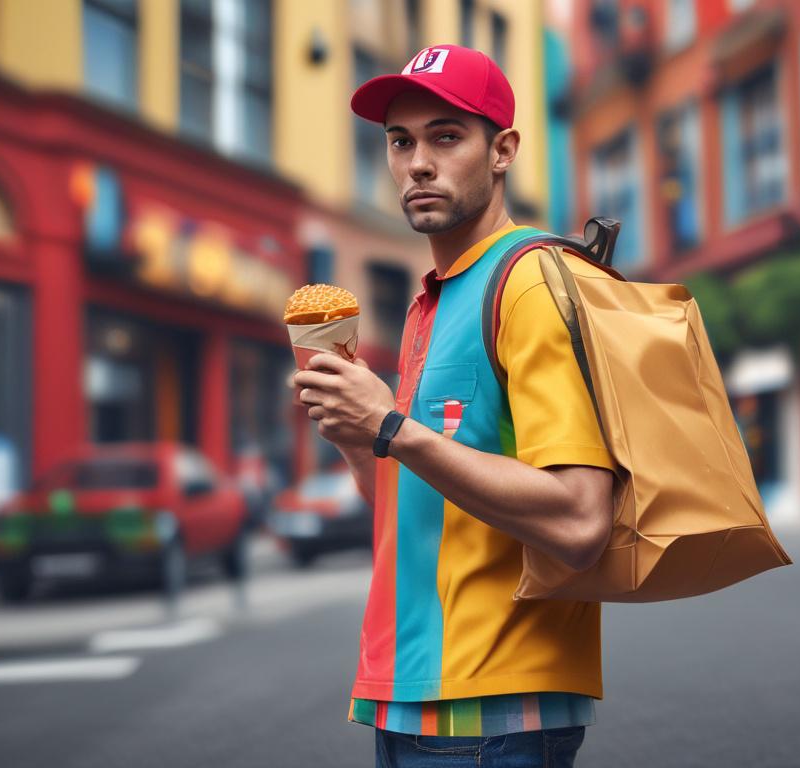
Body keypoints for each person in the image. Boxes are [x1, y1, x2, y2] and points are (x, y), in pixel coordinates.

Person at [292, 44, 617, 767]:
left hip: (492, 713)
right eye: (400, 141)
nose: (417, 163)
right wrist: (354, 434)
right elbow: (409, 508)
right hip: (406, 694)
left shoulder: (529, 280)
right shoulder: (428, 305)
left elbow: (580, 518)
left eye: (445, 136)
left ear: (502, 151)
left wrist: (391, 427)